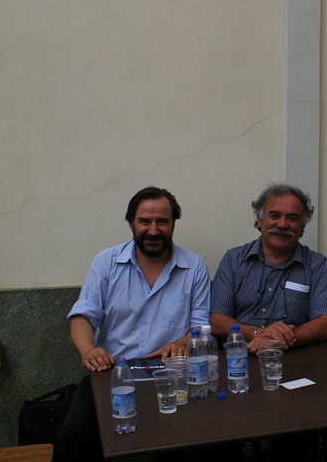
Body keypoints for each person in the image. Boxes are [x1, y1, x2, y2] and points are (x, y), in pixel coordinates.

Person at [57, 186, 211, 462]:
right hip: (112, 373)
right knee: (75, 436)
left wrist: (180, 343)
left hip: (169, 376)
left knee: (194, 442)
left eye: (162, 221)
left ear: (173, 224)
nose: (153, 230)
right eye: (145, 221)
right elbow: (83, 317)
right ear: (131, 223)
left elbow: (200, 327)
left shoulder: (195, 266)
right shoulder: (106, 263)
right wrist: (88, 351)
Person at [210, 183, 327, 352]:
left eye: (292, 218)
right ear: (259, 220)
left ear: (302, 228)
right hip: (241, 356)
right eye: (274, 215)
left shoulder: (318, 267)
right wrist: (259, 334)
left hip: (299, 358)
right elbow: (217, 320)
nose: (282, 224)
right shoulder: (233, 260)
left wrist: (278, 341)